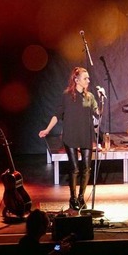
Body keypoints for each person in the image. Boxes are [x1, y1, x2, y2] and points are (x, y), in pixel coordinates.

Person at [39, 67, 100, 210]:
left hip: (86, 134)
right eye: (85, 78)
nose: (88, 80)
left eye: (89, 78)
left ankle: (81, 197)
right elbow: (57, 114)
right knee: (74, 169)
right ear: (76, 80)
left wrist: (101, 100)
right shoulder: (67, 96)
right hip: (71, 134)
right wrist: (47, 130)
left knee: (86, 168)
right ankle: (73, 198)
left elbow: (98, 113)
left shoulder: (90, 96)